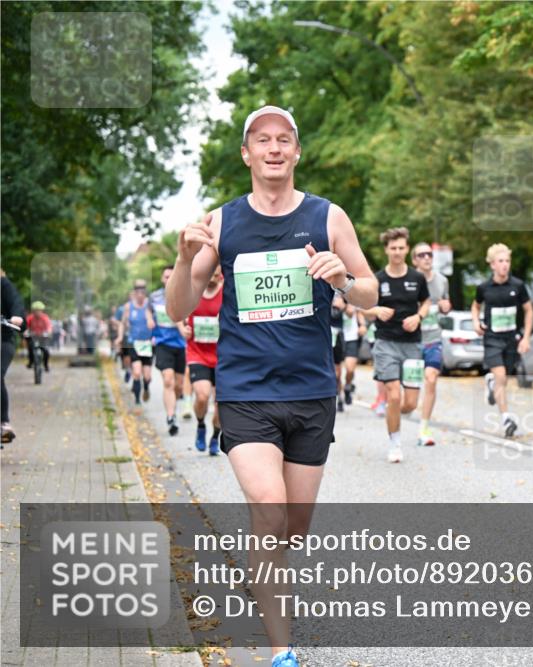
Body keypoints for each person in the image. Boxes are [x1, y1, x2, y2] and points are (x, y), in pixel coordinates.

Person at [165, 105, 377, 667]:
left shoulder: (329, 217)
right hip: (246, 390)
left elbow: (371, 294)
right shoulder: (221, 222)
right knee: (268, 506)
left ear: (297, 152)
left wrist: (343, 278)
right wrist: (187, 261)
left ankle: (268, 578)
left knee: (293, 527)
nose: (274, 148)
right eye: (263, 140)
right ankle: (282, 651)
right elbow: (178, 309)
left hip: (310, 390)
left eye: (285, 139)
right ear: (247, 153)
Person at [362, 227, 430, 463]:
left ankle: (393, 416)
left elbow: (426, 302)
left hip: (412, 345)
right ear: (386, 250)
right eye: (393, 248)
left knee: (409, 403)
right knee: (393, 395)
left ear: (407, 249)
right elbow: (363, 308)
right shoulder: (377, 279)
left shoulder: (417, 278)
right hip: (386, 343)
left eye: (401, 248)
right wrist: (376, 310)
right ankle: (395, 443)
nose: (397, 252)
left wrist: (419, 317)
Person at [471, 244, 533, 438]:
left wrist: (526, 337)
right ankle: (506, 418)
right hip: (492, 338)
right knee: (501, 377)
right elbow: (475, 306)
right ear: (492, 265)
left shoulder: (518, 285)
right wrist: (475, 322)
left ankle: (491, 383)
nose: (505, 265)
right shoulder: (483, 288)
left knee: (503, 378)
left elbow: (529, 310)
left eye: (507, 261)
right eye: (500, 261)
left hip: (510, 339)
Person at [412, 241, 451, 446]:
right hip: (410, 341)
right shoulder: (408, 280)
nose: (427, 258)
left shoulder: (442, 281)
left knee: (432, 378)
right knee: (408, 389)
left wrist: (446, 307)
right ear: (414, 260)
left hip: (433, 338)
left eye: (429, 254)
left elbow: (446, 304)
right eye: (421, 255)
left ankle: (424, 427)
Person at [185, 265, 224, 455]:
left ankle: (215, 436)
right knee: (202, 395)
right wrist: (181, 328)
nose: (212, 279)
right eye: (209, 274)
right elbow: (175, 307)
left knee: (221, 406)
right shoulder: (193, 287)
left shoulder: (228, 290)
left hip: (224, 356)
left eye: (216, 275)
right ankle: (201, 425)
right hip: (197, 352)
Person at [150, 266, 190, 435]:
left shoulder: (184, 295)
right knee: (168, 380)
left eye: (171, 276)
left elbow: (190, 316)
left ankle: (174, 403)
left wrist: (185, 323)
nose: (168, 279)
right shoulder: (154, 297)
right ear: (162, 278)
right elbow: (147, 314)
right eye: (166, 276)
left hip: (181, 345)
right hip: (162, 344)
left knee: (179, 386)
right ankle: (171, 416)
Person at [115, 280, 156, 406]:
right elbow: (122, 323)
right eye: (137, 293)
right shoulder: (128, 307)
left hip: (147, 344)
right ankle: (137, 400)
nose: (140, 295)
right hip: (134, 342)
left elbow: (157, 323)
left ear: (145, 294)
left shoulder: (150, 305)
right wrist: (120, 336)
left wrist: (154, 335)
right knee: (137, 372)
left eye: (142, 293)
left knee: (147, 376)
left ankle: (146, 388)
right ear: (134, 293)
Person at [1, 270, 25, 445]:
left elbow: (16, 302)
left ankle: (4, 423)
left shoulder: (4, 285)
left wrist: (16, 316)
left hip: (3, 339)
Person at [340, 296, 361, 406]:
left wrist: (362, 325)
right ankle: (339, 398)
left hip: (351, 337)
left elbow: (352, 312)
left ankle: (348, 386)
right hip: (335, 336)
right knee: (336, 374)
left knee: (350, 369)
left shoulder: (349, 293)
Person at [329, 294, 348, 412]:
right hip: (322, 333)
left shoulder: (342, 287)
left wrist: (344, 306)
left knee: (337, 373)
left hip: (337, 334)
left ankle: (339, 397)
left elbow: (351, 310)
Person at [24, 301, 53, 372]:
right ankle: (31, 362)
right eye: (35, 311)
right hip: (33, 336)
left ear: (41, 311)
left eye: (39, 310)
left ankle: (46, 365)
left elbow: (49, 327)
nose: (37, 312)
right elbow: (26, 326)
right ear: (33, 311)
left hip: (42, 337)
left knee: (46, 351)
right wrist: (25, 332)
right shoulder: (30, 318)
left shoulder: (45, 318)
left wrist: (48, 332)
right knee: (30, 348)